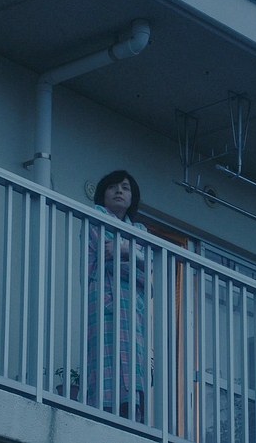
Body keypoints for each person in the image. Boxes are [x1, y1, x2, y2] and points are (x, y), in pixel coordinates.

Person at [86, 170, 147, 422]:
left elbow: (148, 271)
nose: (119, 191)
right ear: (103, 194)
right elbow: (107, 254)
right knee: (105, 358)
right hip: (105, 299)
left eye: (125, 187)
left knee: (134, 361)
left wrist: (123, 249)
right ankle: (104, 413)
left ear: (132, 198)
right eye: (113, 187)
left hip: (133, 307)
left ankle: (133, 414)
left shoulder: (140, 229)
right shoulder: (96, 216)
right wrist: (135, 257)